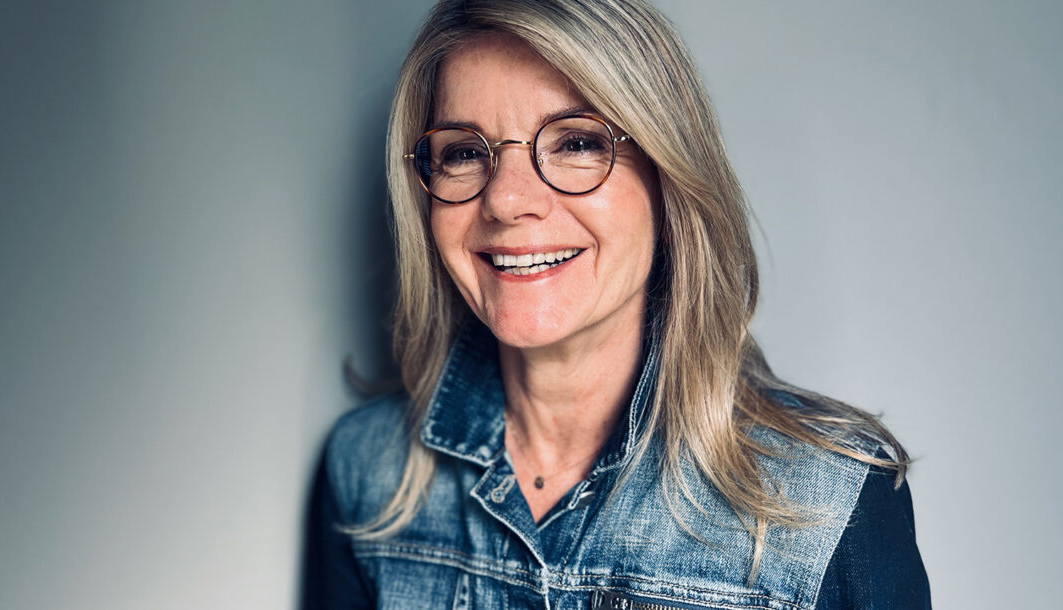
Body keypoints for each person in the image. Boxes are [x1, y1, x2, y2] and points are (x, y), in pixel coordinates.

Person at [308, 0, 931, 608]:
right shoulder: (367, 471)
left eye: (576, 142)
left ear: (668, 178)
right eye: (466, 152)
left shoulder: (829, 498)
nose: (506, 201)